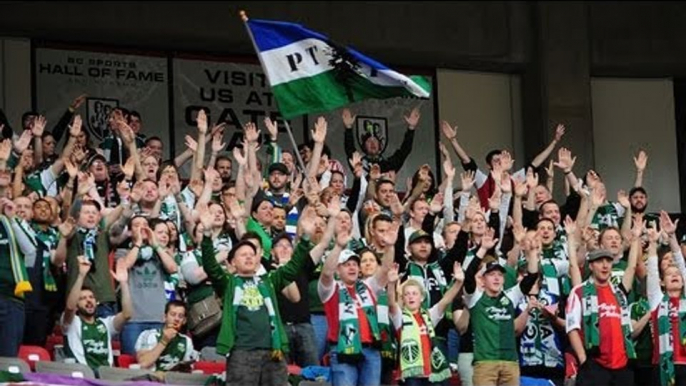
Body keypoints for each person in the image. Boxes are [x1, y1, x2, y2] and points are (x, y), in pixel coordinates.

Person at [200, 198, 338, 386]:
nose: (249, 257)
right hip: (242, 352)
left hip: (274, 351)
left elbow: (293, 267)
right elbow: (211, 266)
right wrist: (207, 236)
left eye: (252, 254)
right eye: (243, 255)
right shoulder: (228, 283)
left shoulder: (270, 280)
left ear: (258, 260)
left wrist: (305, 237)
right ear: (232, 263)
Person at [388, 261, 464, 385]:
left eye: (414, 293)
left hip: (431, 372)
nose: (411, 297)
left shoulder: (429, 315)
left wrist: (458, 282)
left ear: (422, 297)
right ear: (403, 298)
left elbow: (445, 301)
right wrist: (391, 284)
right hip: (411, 375)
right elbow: (391, 303)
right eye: (407, 294)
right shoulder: (399, 317)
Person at [61, 256, 132, 369]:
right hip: (83, 376)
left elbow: (127, 314)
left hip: (106, 376)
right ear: (77, 306)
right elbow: (70, 307)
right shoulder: (72, 323)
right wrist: (81, 276)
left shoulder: (106, 324)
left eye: (91, 297)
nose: (89, 300)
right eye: (82, 298)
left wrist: (123, 283)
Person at [135, 300, 197, 371]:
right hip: (151, 378)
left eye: (180, 316)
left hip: (174, 379)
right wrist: (164, 340)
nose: (176, 319)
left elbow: (187, 368)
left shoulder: (186, 341)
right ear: (165, 317)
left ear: (184, 321)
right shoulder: (148, 335)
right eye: (173, 314)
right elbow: (143, 363)